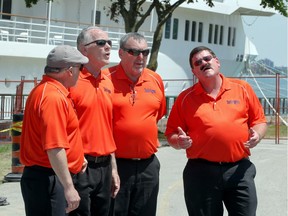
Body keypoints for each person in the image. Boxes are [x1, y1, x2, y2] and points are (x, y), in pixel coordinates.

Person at [165, 46, 268, 216]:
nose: (204, 63)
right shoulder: (184, 99)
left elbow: (260, 121)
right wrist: (179, 141)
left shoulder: (242, 88)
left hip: (239, 170)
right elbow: (170, 134)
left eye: (207, 59)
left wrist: (257, 134)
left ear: (217, 62)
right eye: (198, 63)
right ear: (194, 72)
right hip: (200, 173)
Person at [20, 45, 89, 216]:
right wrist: (69, 187)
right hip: (49, 179)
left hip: (47, 177)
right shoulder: (53, 97)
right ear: (70, 71)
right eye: (80, 68)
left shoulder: (46, 91)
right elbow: (54, 146)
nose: (81, 73)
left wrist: (77, 159)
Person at [105, 32, 166, 216]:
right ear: (121, 53)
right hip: (115, 166)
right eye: (133, 52)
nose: (141, 57)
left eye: (145, 52)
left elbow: (157, 115)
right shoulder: (104, 78)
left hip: (148, 166)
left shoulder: (155, 79)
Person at [68, 26, 120, 216]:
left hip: (105, 167)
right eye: (101, 43)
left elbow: (107, 127)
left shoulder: (107, 81)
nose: (108, 47)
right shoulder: (71, 81)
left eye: (109, 43)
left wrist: (113, 169)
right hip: (81, 166)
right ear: (83, 49)